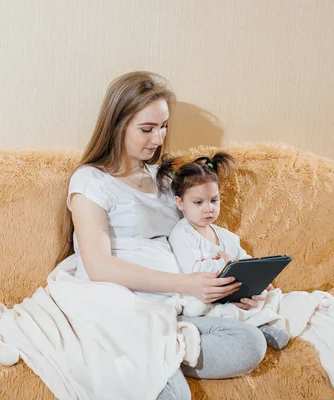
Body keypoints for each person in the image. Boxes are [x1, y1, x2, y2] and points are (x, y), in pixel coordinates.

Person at [65, 71, 266, 400]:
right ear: (118, 125)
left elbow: (198, 239)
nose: (157, 139)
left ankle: (165, 348)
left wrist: (231, 287)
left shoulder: (167, 179)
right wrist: (188, 284)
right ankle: (152, 352)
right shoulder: (91, 181)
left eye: (163, 127)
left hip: (175, 307)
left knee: (250, 343)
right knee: (173, 395)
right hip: (122, 306)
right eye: (147, 129)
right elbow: (99, 266)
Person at [157, 152, 290, 351]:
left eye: (214, 200)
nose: (208, 208)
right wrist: (226, 263)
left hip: (232, 289)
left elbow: (243, 258)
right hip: (205, 294)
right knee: (213, 310)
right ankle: (260, 328)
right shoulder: (182, 233)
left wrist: (260, 277)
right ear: (180, 203)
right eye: (198, 202)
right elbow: (193, 269)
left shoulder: (225, 235)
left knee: (265, 298)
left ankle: (264, 321)